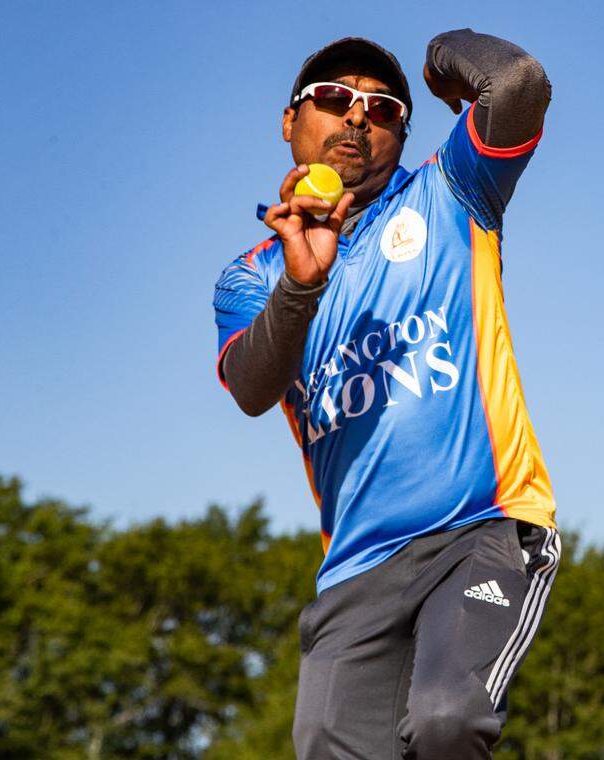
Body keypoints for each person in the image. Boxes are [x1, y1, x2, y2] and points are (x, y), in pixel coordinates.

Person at [212, 28, 560, 759]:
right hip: (357, 569)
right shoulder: (250, 276)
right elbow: (251, 385)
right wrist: (301, 285)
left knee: (445, 721)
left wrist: (441, 57)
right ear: (289, 121)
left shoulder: (450, 191)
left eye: (384, 106)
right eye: (334, 97)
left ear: (403, 131)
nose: (357, 115)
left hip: (482, 529)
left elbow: (518, 83)